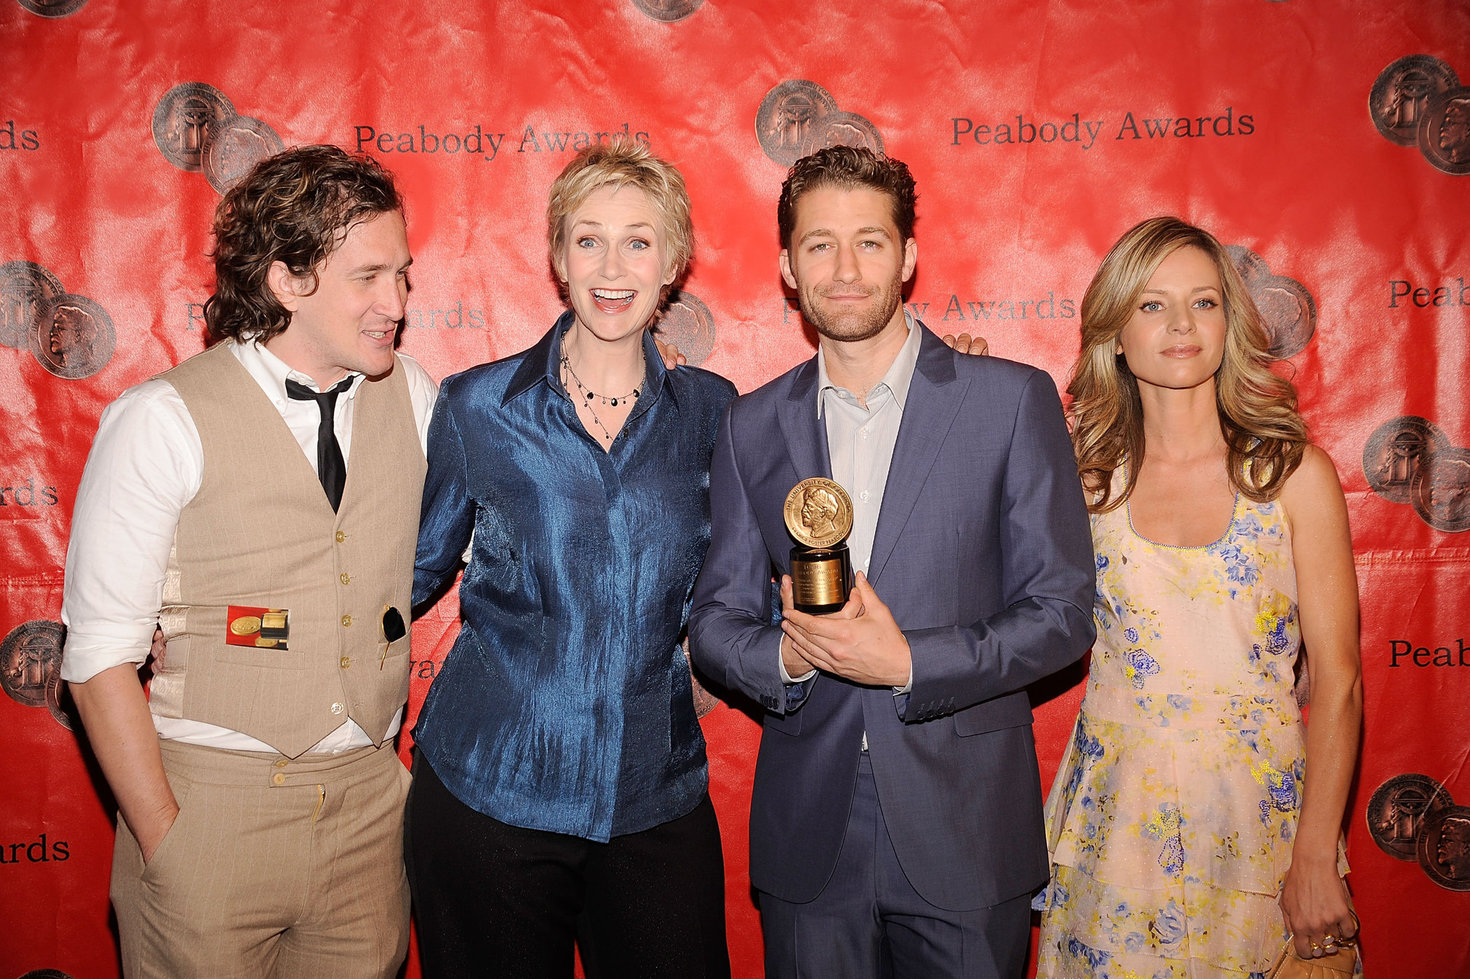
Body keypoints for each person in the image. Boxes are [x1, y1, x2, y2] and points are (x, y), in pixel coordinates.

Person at [688, 145, 1096, 979]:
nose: (845, 270)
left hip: (967, 823)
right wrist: (790, 654)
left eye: (869, 242)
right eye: (820, 244)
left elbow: (1063, 613)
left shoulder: (1010, 400)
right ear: (787, 267)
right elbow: (715, 621)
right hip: (812, 831)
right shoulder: (749, 424)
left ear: (908, 256)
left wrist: (909, 661)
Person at [60, 145, 436, 977]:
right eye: (370, 277)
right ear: (286, 280)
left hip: (370, 820)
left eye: (403, 275)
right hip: (210, 812)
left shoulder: (415, 396)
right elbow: (96, 657)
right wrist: (168, 838)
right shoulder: (160, 419)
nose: (397, 303)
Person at [407, 140, 735, 978]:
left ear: (673, 265)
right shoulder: (479, 405)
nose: (612, 267)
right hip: (491, 787)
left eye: (638, 241)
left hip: (654, 792)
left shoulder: (715, 413)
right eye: (589, 239)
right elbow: (412, 569)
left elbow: (745, 582)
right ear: (559, 258)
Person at [1034, 217, 1364, 976]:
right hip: (1118, 826)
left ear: (1229, 323)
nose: (1181, 324)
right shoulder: (1082, 482)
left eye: (1204, 302)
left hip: (1262, 820)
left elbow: (1339, 679)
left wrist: (1316, 853)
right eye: (1152, 305)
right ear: (1116, 335)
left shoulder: (1292, 476)